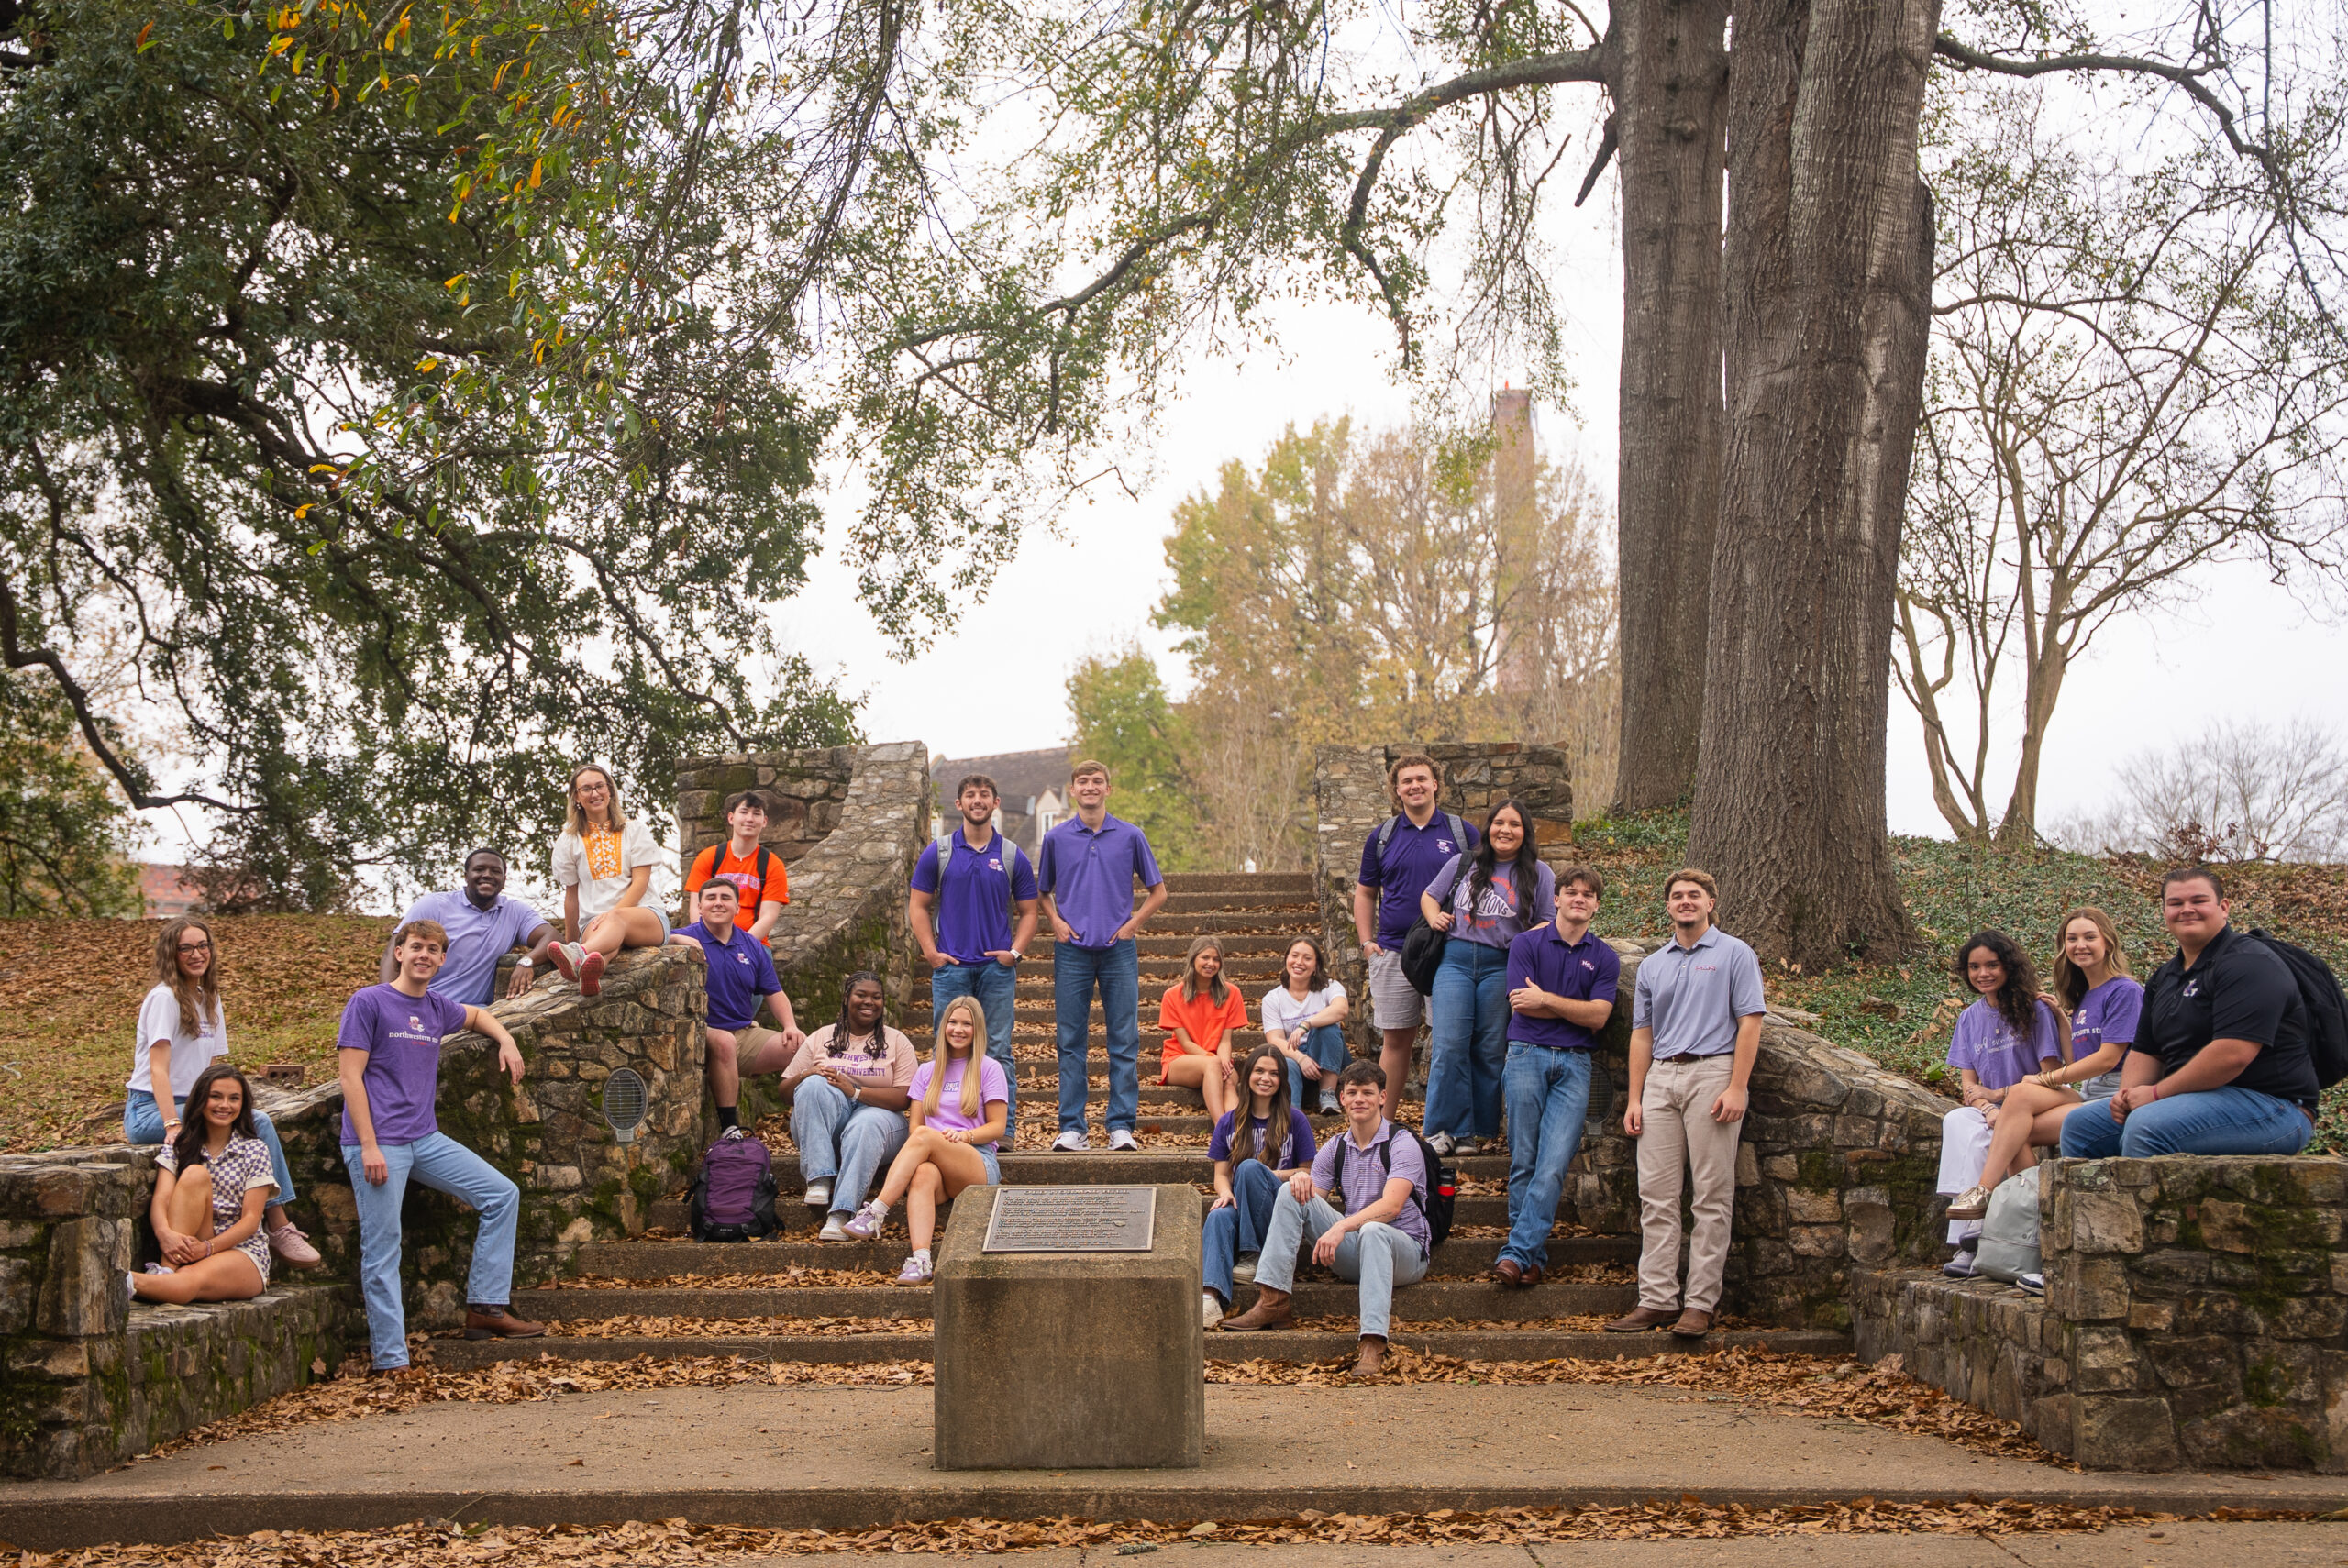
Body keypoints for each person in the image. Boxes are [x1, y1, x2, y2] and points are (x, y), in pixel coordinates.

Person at [340, 920, 545, 1374]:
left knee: (501, 1194)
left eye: (434, 950)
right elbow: (350, 1076)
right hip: (378, 1145)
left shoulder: (435, 1007)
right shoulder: (368, 1002)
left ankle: (485, 1309)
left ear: (442, 960)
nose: (424, 956)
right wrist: (370, 1147)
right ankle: (391, 1361)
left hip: (424, 1139)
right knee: (383, 1248)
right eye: (417, 947)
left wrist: (506, 1039)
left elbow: (476, 1015)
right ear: (399, 952)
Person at [2060, 867, 2319, 1161]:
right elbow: (2147, 1051)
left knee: (2147, 1126)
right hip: (2191, 1101)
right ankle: (2092, 1208)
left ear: (2223, 908)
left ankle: (2144, 1208)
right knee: (2080, 1126)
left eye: (2198, 901)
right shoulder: (2165, 977)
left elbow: (2232, 1053)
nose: (2186, 910)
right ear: (2164, 912)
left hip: (2272, 1107)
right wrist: (2128, 1095)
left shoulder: (2249, 962)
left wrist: (2155, 1095)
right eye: (2175, 903)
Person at [1605, 868, 1766, 1340]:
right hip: (1661, 1079)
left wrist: (1738, 1087)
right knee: (1656, 1196)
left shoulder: (1736, 954)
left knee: (1712, 1195)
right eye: (1677, 896)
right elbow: (1641, 1033)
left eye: (1694, 895)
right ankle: (1656, 1298)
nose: (1685, 902)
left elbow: (1750, 1023)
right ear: (1669, 906)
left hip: (1713, 1072)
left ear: (1711, 902)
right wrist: (1636, 1097)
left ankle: (1699, 1303)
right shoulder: (1654, 964)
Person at [1937, 911, 2139, 1265]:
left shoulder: (2125, 990)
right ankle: (2031, 1224)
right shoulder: (2085, 997)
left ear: (2108, 941)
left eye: (2089, 937)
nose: (2080, 946)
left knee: (2017, 1102)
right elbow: (2078, 1057)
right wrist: (2063, 1018)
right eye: (2072, 939)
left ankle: (1985, 1193)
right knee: (2014, 1127)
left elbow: (2107, 1059)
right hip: (2088, 1093)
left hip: (2117, 1093)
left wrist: (2041, 1080)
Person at [124, 918, 318, 1270]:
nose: (197, 954)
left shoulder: (208, 998)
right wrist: (171, 1122)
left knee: (247, 1121)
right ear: (172, 953)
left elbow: (212, 1071)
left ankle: (246, 1226)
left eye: (203, 946)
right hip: (150, 1110)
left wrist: (221, 1102)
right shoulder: (164, 998)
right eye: (187, 948)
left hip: (196, 1105)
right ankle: (278, 1224)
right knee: (258, 1121)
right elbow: (157, 1070)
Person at [1219, 1060, 1432, 1375]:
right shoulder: (1336, 1146)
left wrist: (1342, 1226)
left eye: (1368, 1093)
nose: (1360, 1099)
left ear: (1383, 1097)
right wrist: (1301, 1182)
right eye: (1352, 1092)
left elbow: (1392, 1206)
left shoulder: (1402, 1143)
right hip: (1355, 1250)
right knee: (1291, 1191)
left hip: (1405, 1251)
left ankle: (1373, 1342)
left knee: (1373, 1230)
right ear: (1342, 1098)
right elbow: (1310, 1203)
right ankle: (1273, 1299)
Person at [1493, 865, 1621, 1287]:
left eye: (1588, 894)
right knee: (1524, 1161)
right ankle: (1531, 1258)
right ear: (1558, 898)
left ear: (1596, 905)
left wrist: (1546, 997)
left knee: (1552, 1165)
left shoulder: (1603, 956)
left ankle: (1515, 1252)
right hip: (1526, 1055)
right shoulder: (1526, 943)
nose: (1579, 899)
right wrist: (1573, 1010)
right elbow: (1520, 1004)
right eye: (1572, 892)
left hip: (1575, 1064)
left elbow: (1599, 1017)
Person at [1037, 759, 1168, 1152]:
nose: (1090, 787)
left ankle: (1120, 1126)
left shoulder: (1130, 836)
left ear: (1108, 789)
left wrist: (1132, 926)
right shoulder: (1056, 839)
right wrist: (1056, 922)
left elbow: (1159, 891)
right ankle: (1073, 1128)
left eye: (1097, 781)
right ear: (1072, 790)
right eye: (1083, 781)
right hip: (1072, 951)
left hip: (1118, 951)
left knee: (1124, 1040)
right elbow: (1043, 891)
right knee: (1070, 1040)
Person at [1421, 799, 1556, 1155]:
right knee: (1449, 1044)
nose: (1505, 830)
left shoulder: (1540, 873)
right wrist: (1435, 916)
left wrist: (1526, 938)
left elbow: (1548, 919)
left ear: (1525, 832)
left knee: (1489, 1048)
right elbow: (1430, 896)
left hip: (1503, 964)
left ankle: (1476, 1132)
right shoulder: (1465, 862)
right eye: (1498, 822)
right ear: (1488, 827)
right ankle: (1440, 1128)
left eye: (1514, 824)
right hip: (1455, 961)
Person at [841, 996, 1010, 1283]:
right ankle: (920, 1260)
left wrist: (966, 1135)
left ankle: (877, 1211)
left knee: (923, 1136)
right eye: (953, 1022)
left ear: (977, 1030)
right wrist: (933, 1141)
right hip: (936, 1162)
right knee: (921, 1173)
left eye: (967, 1024)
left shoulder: (989, 1068)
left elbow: (998, 1127)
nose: (958, 1029)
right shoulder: (927, 1071)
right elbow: (915, 1127)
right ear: (944, 1026)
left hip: (975, 1160)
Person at [909, 773, 1038, 1145]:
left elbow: (1029, 912)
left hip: (996, 970)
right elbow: (918, 905)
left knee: (997, 1050)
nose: (977, 800)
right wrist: (931, 953)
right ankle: (938, 1129)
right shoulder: (940, 852)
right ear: (959, 805)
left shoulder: (1012, 854)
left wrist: (1014, 953)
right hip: (951, 970)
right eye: (970, 795)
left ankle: (1005, 1132)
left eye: (984, 795)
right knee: (945, 1049)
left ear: (995, 803)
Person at [1353, 753, 1478, 1121]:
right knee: (1396, 1041)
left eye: (1422, 779)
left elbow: (1486, 884)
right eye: (1407, 781)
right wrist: (1366, 943)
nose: (1415, 786)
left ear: (1435, 783)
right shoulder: (1383, 836)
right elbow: (1365, 892)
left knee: (1450, 1041)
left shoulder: (1461, 833)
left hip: (1449, 951)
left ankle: (1448, 1125)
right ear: (1397, 790)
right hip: (1393, 950)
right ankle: (1384, 1125)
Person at [1934, 933, 2068, 1266]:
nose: (1984, 974)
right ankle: (1968, 1236)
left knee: (1986, 1138)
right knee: (1956, 1121)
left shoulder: (2035, 1010)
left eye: (1992, 965)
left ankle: (1978, 1235)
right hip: (1991, 1111)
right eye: (1975, 967)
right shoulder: (1968, 1018)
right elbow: (1968, 1086)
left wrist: (1999, 1099)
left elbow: (2051, 1076)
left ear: (2008, 966)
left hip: (2039, 1104)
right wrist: (1987, 1108)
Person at [778, 972, 917, 1241]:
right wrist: (809, 1073)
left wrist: (855, 1091)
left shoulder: (897, 1041)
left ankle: (841, 1212)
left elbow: (904, 1098)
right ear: (846, 999)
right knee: (814, 1084)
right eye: (861, 995)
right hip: (827, 1126)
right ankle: (819, 1178)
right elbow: (785, 1092)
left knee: (866, 1123)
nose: (869, 1002)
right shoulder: (821, 1037)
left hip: (881, 1124)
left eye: (876, 997)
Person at [666, 880, 804, 1140]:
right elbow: (649, 938)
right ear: (699, 906)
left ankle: (804, 1123)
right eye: (711, 897)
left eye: (726, 897)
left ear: (737, 906)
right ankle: (730, 1127)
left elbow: (773, 991)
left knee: (801, 1047)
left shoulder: (751, 945)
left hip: (744, 1032)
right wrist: (672, 937)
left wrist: (790, 1026)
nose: (718, 902)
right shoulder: (685, 937)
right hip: (704, 1034)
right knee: (725, 1043)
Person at [130, 1064, 276, 1307]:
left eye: (234, 1098)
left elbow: (251, 1220)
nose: (224, 1105)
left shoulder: (255, 1149)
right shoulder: (180, 1145)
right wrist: (164, 1235)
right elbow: (161, 1200)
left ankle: (124, 1280)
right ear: (200, 1099)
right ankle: (166, 1272)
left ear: (243, 1105)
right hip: (188, 1243)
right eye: (216, 1096)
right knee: (195, 1175)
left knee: (189, 1279)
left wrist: (207, 1249)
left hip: (239, 1252)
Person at [1201, 1045, 1318, 1329]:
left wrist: (1272, 1174)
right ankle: (1209, 1298)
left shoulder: (1295, 1120)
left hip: (1279, 1215)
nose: (1266, 1078)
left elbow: (1307, 1173)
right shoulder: (1230, 1122)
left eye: (1274, 1073)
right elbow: (1221, 1174)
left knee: (1251, 1168)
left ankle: (1253, 1255)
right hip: (1243, 1206)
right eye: (1259, 1071)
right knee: (1218, 1215)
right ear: (1247, 1075)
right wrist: (1226, 1194)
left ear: (1282, 1081)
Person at [548, 764, 667, 998]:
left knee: (616, 920)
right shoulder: (568, 839)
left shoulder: (634, 829)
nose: (594, 793)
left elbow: (641, 883)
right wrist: (571, 939)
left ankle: (578, 954)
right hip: (595, 923)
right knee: (599, 952)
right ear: (576, 797)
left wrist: (612, 915)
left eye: (600, 786)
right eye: (586, 789)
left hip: (645, 915)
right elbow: (571, 897)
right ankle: (590, 967)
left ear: (610, 790)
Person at [382, 848, 558, 1005]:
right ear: (466, 876)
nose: (487, 875)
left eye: (496, 871)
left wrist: (527, 961)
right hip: (423, 1003)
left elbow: (553, 938)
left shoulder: (515, 912)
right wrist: (389, 1001)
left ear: (504, 879)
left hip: (473, 1013)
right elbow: (395, 949)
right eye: (479, 869)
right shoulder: (435, 905)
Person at [683, 790, 792, 947]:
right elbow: (696, 908)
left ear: (764, 821)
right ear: (731, 818)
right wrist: (710, 942)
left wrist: (740, 946)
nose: (749, 819)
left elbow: (769, 915)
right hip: (710, 941)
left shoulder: (772, 865)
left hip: (753, 944)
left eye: (756, 814)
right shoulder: (709, 857)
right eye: (743, 812)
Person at [1159, 935, 1248, 1124]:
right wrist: (1213, 1059)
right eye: (1205, 958)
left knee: (1230, 1079)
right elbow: (1185, 1043)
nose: (1211, 963)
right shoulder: (1172, 995)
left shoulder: (1231, 993)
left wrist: (1224, 1060)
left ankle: (1236, 1131)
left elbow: (1225, 1040)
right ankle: (1220, 1130)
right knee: (1214, 1066)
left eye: (1216, 959)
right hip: (1180, 1060)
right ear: (1193, 959)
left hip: (1216, 1059)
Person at [1262, 936, 1350, 1114]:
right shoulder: (1273, 998)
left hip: (1330, 1055)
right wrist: (1301, 1058)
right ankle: (1292, 1115)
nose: (1299, 962)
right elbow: (1275, 1040)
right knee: (1286, 1061)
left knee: (1327, 1027)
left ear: (1316, 965)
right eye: (1294, 956)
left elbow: (1341, 1009)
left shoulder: (1330, 987)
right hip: (1294, 1056)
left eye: (1307, 958)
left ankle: (1327, 1093)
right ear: (1286, 959)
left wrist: (1307, 1023)